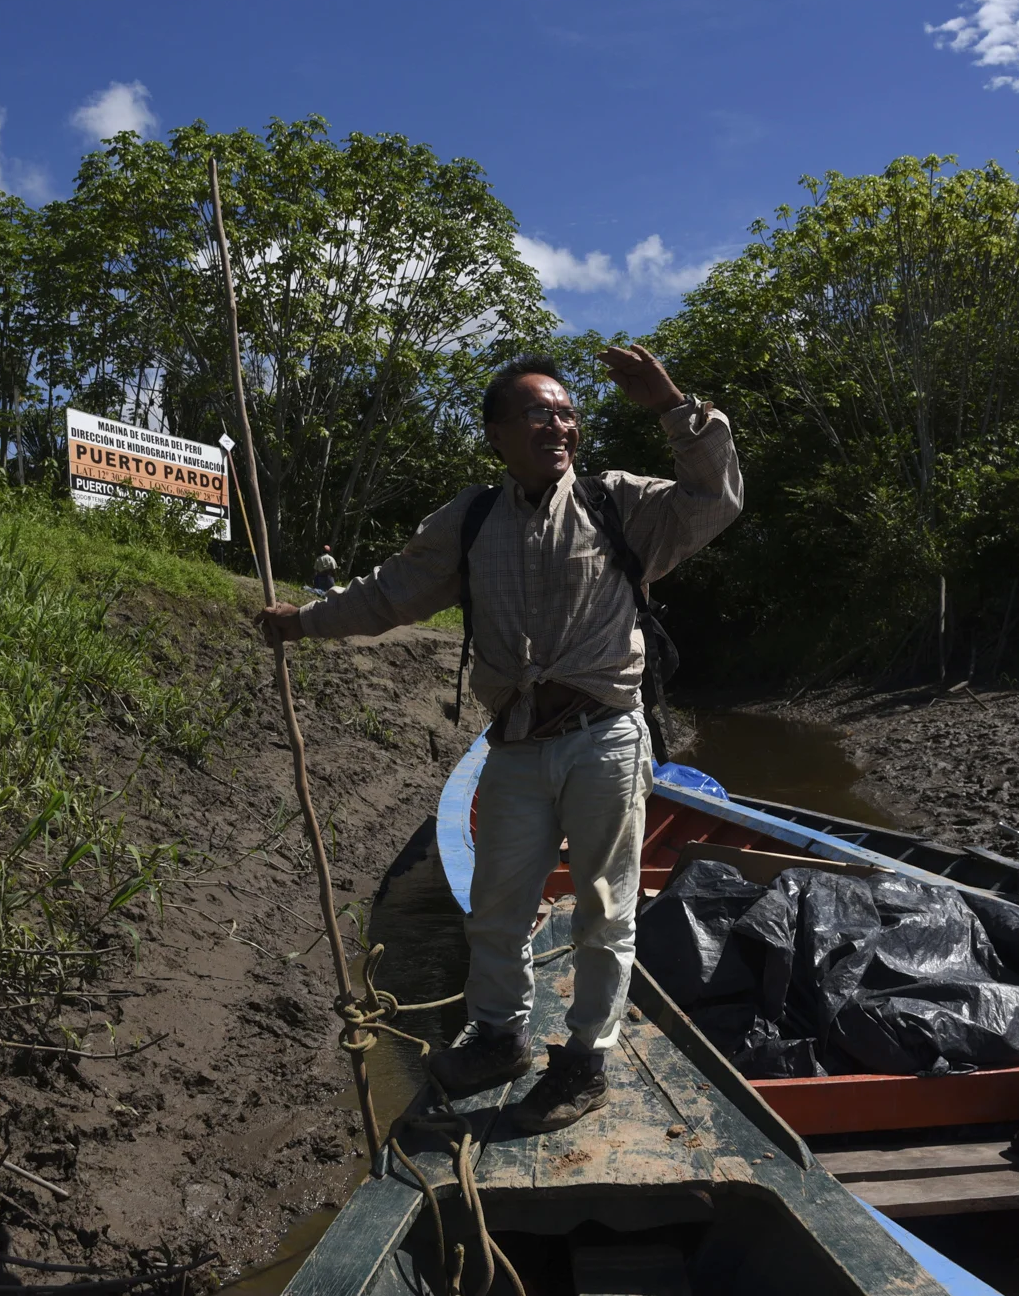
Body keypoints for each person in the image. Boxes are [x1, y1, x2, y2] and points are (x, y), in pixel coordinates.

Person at [257, 345, 741, 1131]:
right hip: (514, 743)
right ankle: (500, 1036)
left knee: (605, 908)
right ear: (497, 434)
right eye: (538, 412)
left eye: (567, 412)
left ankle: (585, 1059)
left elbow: (714, 495)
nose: (559, 424)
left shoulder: (617, 504)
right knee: (495, 906)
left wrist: (672, 405)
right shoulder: (471, 520)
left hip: (605, 739)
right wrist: (302, 623)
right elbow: (390, 595)